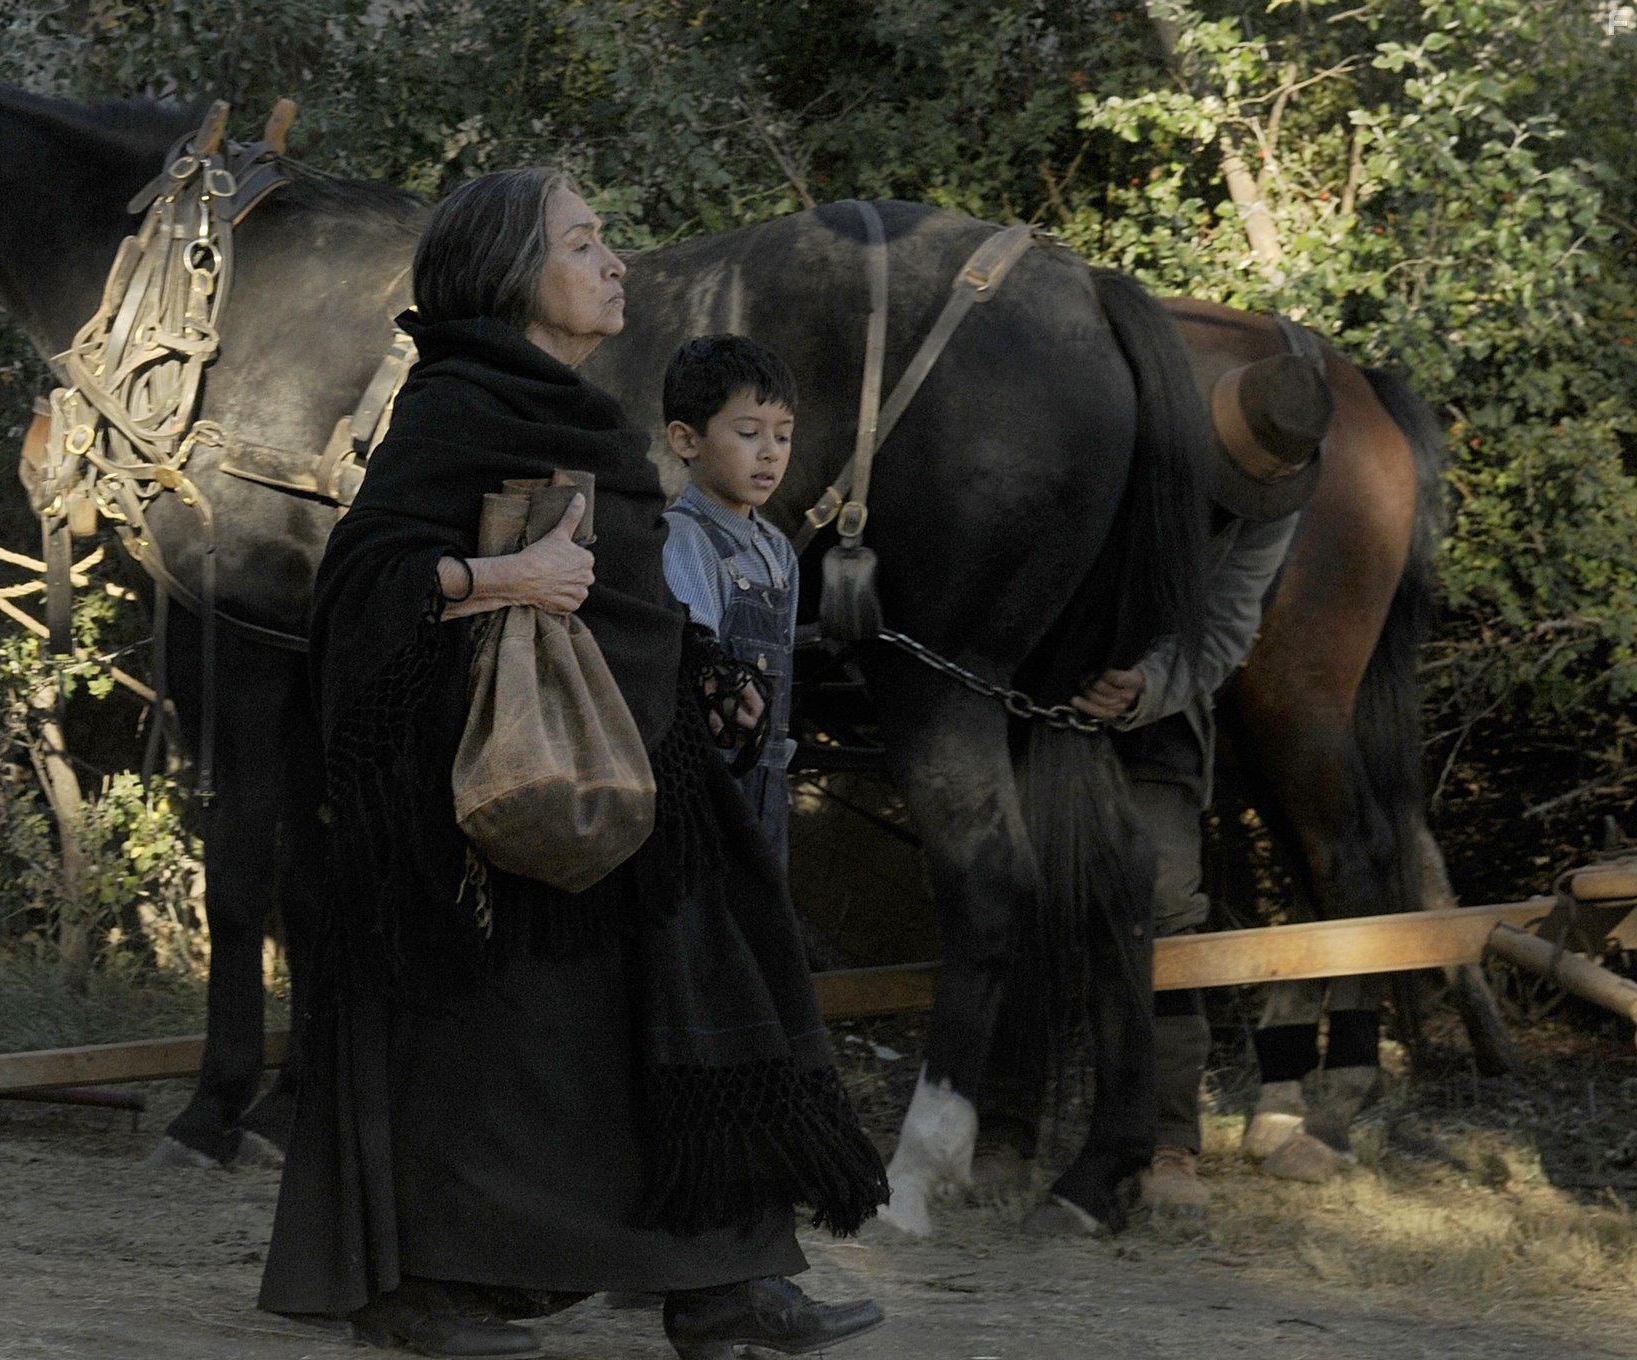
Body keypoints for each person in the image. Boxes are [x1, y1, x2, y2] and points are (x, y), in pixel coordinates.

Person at [258, 167, 889, 1360]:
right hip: (498, 798)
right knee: (504, 1052)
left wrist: (698, 664)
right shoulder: (455, 407)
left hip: (639, 764)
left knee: (719, 978)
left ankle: (726, 1283)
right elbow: (356, 591)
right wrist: (494, 579)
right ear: (512, 276)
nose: (613, 264)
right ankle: (429, 1292)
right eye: (585, 243)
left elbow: (621, 588)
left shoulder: (569, 405)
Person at [967, 350, 1334, 1217]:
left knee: (1166, 909)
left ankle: (1169, 1147)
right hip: (1039, 684)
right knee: (1024, 889)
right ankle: (1003, 1131)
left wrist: (1145, 689)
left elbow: (1227, 629)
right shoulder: (1113, 426)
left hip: (1158, 712)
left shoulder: (1275, 505)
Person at [660, 335, 801, 870]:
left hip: (768, 783)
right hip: (705, 788)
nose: (770, 452)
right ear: (686, 439)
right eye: (748, 433)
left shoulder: (777, 552)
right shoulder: (684, 538)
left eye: (783, 436)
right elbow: (697, 668)